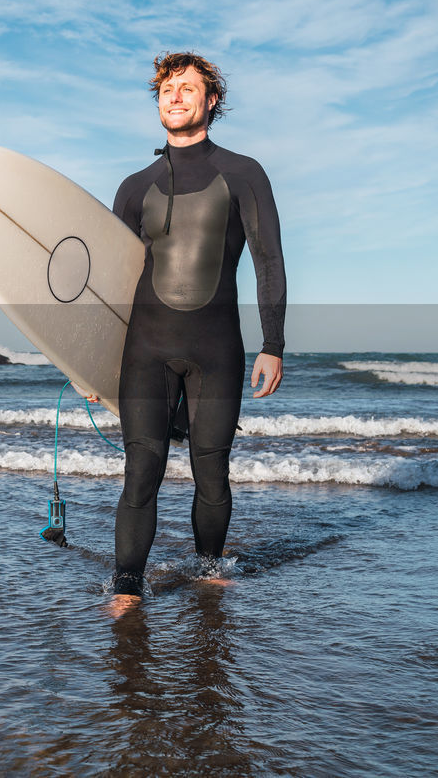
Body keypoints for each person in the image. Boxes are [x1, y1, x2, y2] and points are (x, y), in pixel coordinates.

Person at [82, 52, 286, 615]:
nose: (175, 98)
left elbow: (268, 259)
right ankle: (126, 586)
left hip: (216, 348)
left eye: (187, 89)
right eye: (166, 90)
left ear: (211, 100)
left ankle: (210, 571)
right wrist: (90, 361)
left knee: (211, 470)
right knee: (139, 470)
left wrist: (274, 344)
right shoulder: (134, 186)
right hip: (144, 350)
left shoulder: (242, 173)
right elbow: (109, 284)